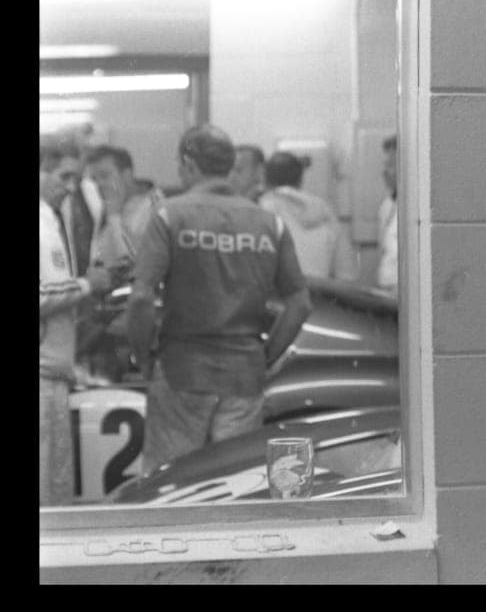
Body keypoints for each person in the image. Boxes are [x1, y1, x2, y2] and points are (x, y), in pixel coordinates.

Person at [126, 124, 311, 474]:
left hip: (182, 372)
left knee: (173, 486)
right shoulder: (269, 223)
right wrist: (265, 356)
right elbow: (300, 302)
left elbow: (140, 298)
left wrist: (142, 356)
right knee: (234, 485)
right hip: (244, 376)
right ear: (229, 166)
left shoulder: (169, 216)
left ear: (189, 163)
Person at [40, 143, 113, 505]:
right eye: (62, 176)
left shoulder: (51, 220)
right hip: (41, 376)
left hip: (54, 373)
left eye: (75, 177)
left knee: (55, 494)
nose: (70, 187)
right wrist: (86, 284)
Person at [83, 145, 166, 380]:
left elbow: (133, 264)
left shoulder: (155, 208)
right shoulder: (107, 210)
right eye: (95, 178)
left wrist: (115, 218)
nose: (100, 184)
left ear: (128, 174)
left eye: (106, 175)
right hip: (106, 316)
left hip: (137, 322)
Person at [258, 150, 358, 281]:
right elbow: (347, 274)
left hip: (276, 298)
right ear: (300, 180)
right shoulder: (325, 214)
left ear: (264, 180)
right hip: (320, 296)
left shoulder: (258, 213)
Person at [376, 135, 399, 294]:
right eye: (385, 165)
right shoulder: (387, 205)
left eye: (391, 165)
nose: (385, 171)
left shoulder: (419, 213)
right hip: (388, 289)